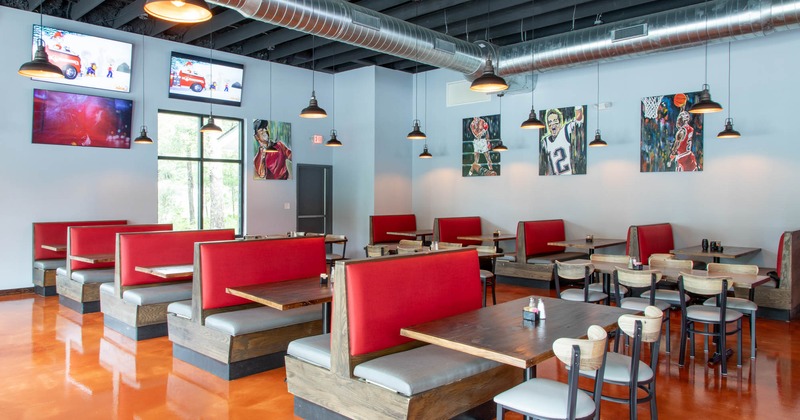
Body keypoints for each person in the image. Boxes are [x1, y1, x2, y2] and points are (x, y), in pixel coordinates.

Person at [540, 107, 583, 175]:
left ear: (560, 122)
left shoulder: (565, 130)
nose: (553, 124)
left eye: (555, 120)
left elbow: (579, 118)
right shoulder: (546, 141)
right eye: (550, 122)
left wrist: (578, 107)